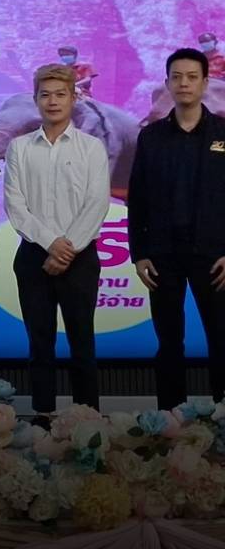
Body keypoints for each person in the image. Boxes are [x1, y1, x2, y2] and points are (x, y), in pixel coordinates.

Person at [4, 64, 109, 415]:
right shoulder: (19, 148)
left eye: (60, 94)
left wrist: (67, 249)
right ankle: (43, 419)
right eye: (45, 95)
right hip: (33, 257)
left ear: (73, 98)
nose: (52, 101)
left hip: (81, 258)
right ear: (35, 100)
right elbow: (16, 205)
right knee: (40, 345)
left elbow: (97, 202)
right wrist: (51, 243)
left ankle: (87, 422)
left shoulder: (91, 147)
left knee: (83, 345)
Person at [128, 48, 225, 408]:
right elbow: (138, 198)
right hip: (162, 256)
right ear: (167, 83)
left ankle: (222, 417)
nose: (184, 83)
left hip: (214, 256)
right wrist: (139, 254)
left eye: (192, 77)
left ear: (205, 82)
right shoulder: (151, 136)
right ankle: (169, 420)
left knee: (221, 339)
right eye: (177, 77)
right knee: (169, 342)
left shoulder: (222, 133)